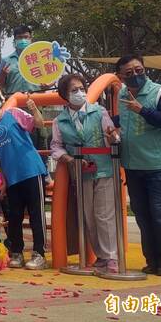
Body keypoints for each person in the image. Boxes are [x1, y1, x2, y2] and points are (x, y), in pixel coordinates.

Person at [115, 55, 161, 276]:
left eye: (139, 69)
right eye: (129, 72)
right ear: (120, 77)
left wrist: (142, 110)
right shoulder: (122, 94)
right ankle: (151, 260)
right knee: (142, 216)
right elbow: (123, 120)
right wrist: (109, 125)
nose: (135, 75)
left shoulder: (160, 92)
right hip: (133, 167)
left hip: (157, 166)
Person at [50, 73, 120, 274]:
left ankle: (112, 256)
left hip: (104, 169)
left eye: (82, 88)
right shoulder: (59, 121)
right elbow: (56, 146)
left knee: (104, 214)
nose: (79, 93)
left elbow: (112, 136)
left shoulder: (98, 112)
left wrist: (114, 137)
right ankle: (101, 255)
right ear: (65, 95)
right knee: (88, 215)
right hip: (80, 174)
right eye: (74, 90)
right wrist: (69, 159)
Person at [0, 85, 48, 270]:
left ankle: (39, 253)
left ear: (0, 98)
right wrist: (2, 179)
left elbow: (39, 124)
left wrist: (33, 109)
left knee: (36, 214)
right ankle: (16, 252)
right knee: (14, 216)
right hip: (11, 176)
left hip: (31, 170)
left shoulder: (14, 113)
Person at [0, 25, 41, 96]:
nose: (23, 40)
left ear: (31, 39)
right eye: (20, 37)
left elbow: (50, 79)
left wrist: (48, 84)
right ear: (15, 41)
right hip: (14, 102)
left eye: (26, 37)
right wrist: (2, 75)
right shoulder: (6, 61)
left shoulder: (40, 58)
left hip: (37, 100)